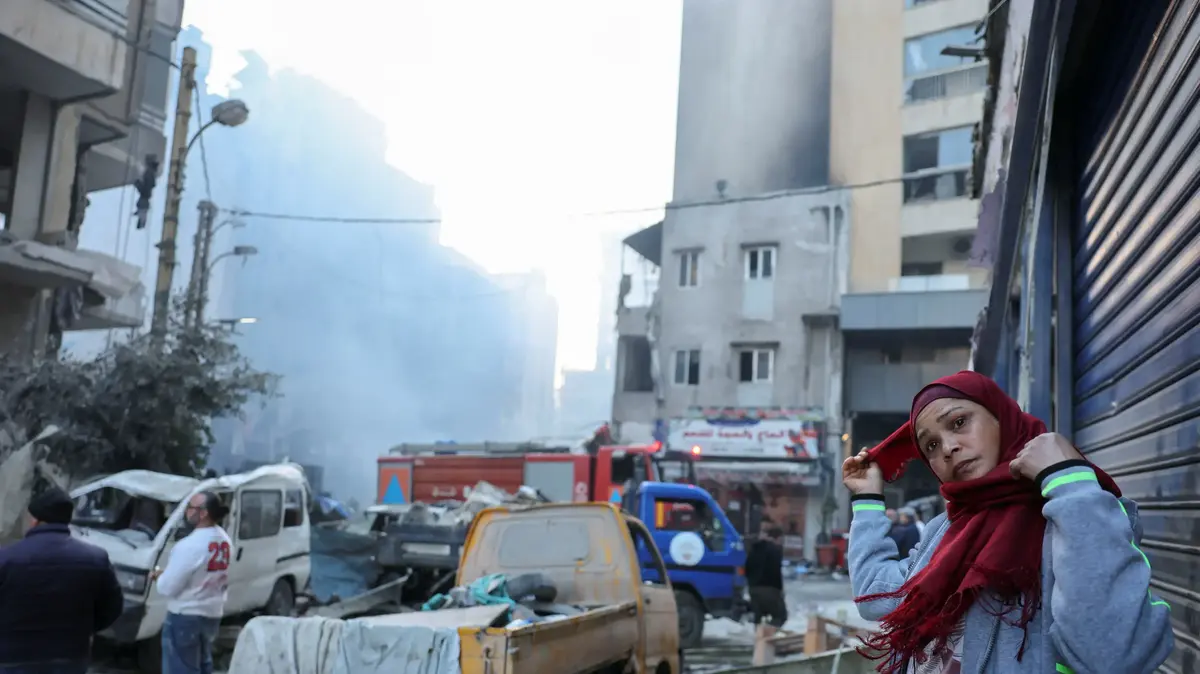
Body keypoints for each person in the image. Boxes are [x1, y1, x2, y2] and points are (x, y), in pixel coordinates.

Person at [843, 371, 1173, 673]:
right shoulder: (945, 530)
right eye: (931, 445)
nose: (948, 447)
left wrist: (1066, 481)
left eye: (958, 423)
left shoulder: (1080, 510)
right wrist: (867, 499)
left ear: (1001, 416)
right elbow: (879, 595)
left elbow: (1112, 654)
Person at [0, 486, 124, 674]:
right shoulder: (95, 559)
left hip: (13, 658)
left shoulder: (6, 558)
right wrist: (85, 628)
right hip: (71, 658)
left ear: (34, 520)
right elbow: (112, 607)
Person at [152, 491, 232, 674]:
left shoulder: (189, 545)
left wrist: (159, 576)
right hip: (212, 614)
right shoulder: (225, 541)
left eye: (191, 507)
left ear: (203, 513)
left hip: (185, 616)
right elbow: (204, 573)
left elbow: (166, 588)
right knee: (204, 665)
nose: (187, 511)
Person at [744, 526, 787, 628]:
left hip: (753, 588)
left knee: (758, 617)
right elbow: (776, 572)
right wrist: (780, 590)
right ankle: (768, 635)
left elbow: (747, 568)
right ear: (778, 538)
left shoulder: (753, 549)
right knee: (780, 616)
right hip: (770, 589)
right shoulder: (775, 550)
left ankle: (758, 637)